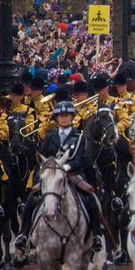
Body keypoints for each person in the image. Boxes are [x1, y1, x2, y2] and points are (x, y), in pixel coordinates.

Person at [15, 101, 106, 256]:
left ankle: (96, 235)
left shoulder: (79, 137)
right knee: (32, 199)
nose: (64, 119)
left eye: (67, 116)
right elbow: (43, 159)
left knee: (90, 198)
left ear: (72, 117)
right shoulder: (50, 137)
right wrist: (40, 178)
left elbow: (81, 159)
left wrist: (66, 168)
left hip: (73, 174)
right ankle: (24, 234)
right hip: (52, 176)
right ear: (57, 118)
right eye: (61, 116)